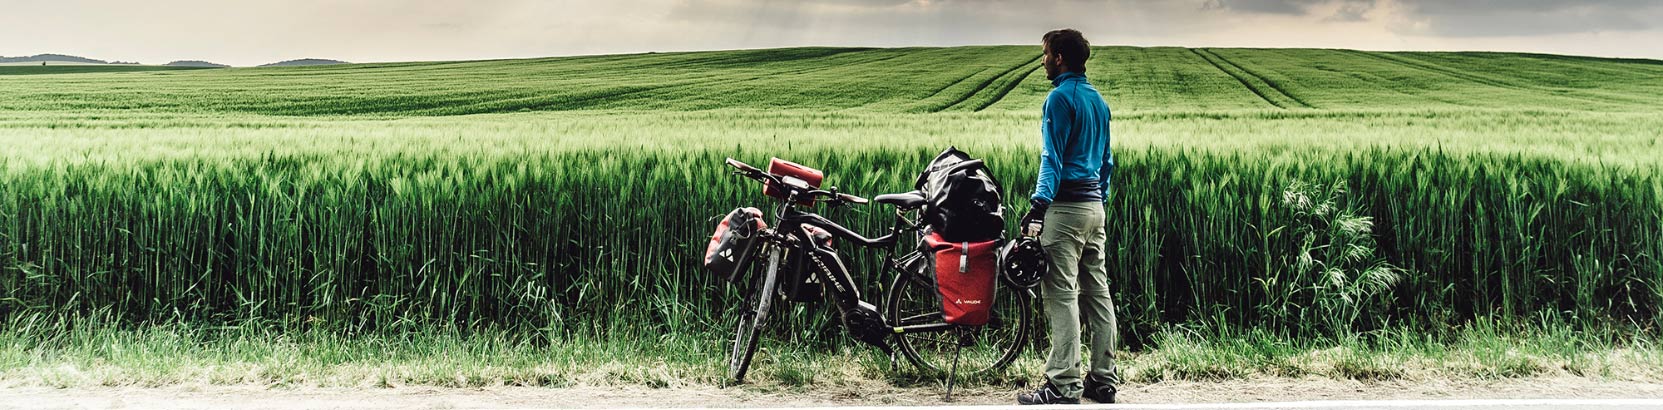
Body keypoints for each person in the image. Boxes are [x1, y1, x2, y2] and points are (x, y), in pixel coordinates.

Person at [1015, 28, 1118, 405]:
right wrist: (1099, 200)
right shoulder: (1098, 100)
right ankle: (1104, 381)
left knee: (1061, 296)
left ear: (1059, 57)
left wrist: (1039, 206)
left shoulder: (1059, 99)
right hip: (1095, 210)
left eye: (1044, 54)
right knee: (1098, 295)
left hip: (1065, 209)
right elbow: (1107, 162)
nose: (1042, 59)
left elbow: (1051, 159)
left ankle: (1063, 384)